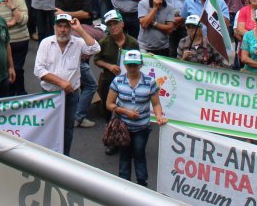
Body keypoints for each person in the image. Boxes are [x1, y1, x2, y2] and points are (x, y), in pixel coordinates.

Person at [34, 14, 99, 156]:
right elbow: (39, 70)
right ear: (54, 27)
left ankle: (64, 158)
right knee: (48, 127)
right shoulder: (46, 43)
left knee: (67, 129)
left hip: (70, 95)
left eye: (66, 26)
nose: (62, 30)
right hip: (49, 94)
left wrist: (80, 29)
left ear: (71, 29)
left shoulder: (78, 42)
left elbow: (95, 48)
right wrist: (61, 82)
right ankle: (47, 157)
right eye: (60, 26)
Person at [105, 50, 167, 187]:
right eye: (129, 65)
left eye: (135, 65)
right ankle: (124, 184)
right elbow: (109, 104)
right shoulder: (118, 81)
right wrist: (125, 111)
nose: (132, 68)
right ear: (125, 65)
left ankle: (141, 184)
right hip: (123, 127)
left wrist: (159, 116)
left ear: (141, 65)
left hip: (142, 127)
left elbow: (156, 103)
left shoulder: (150, 82)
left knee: (139, 154)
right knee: (124, 155)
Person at [94, 10, 139, 155]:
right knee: (110, 113)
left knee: (128, 112)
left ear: (122, 24)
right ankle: (112, 141)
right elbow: (96, 60)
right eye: (109, 25)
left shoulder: (132, 42)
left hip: (129, 84)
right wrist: (108, 66)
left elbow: (140, 60)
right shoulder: (104, 42)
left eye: (115, 23)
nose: (112, 27)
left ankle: (128, 140)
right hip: (109, 82)